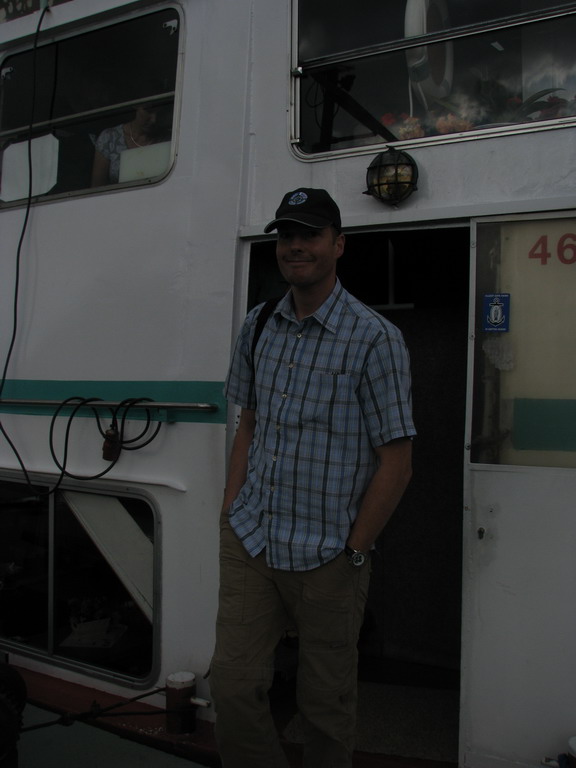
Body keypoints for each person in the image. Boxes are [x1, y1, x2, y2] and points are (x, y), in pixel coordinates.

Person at [210, 188, 416, 768]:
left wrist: (355, 551)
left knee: (326, 707)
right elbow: (249, 424)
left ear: (338, 244)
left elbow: (397, 462)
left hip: (330, 556)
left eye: (311, 234)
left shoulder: (375, 339)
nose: (295, 246)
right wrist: (230, 510)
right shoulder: (257, 325)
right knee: (230, 686)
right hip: (252, 542)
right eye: (286, 235)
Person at [91, 104, 167, 186]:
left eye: (160, 113)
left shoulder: (168, 139)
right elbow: (97, 186)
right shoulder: (109, 138)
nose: (153, 120)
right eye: (149, 111)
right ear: (136, 106)